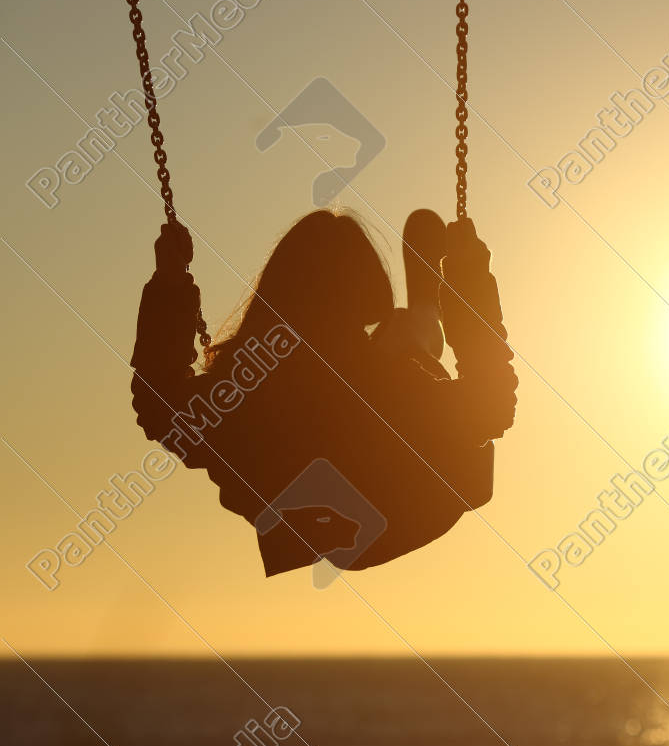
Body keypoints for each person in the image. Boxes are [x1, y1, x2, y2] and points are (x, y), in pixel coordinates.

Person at [130, 209, 517, 577]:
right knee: (411, 352)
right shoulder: (380, 386)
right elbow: (490, 403)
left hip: (319, 529)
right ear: (364, 298)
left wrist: (170, 285)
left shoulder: (244, 390)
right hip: (407, 512)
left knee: (405, 358)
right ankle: (419, 326)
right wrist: (470, 281)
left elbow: (160, 409)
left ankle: (414, 328)